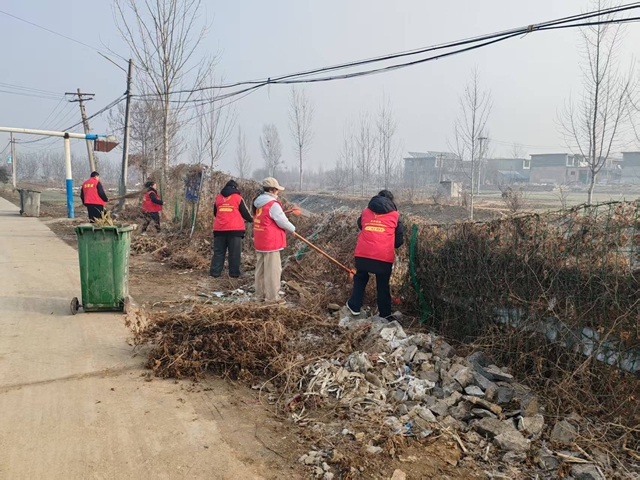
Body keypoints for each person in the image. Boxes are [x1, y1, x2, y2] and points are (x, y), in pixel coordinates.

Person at [347, 190, 404, 319]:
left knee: (360, 277)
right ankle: (385, 314)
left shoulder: (366, 211)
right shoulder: (395, 216)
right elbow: (398, 241)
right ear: (391, 201)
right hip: (383, 256)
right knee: (383, 284)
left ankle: (354, 306)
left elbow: (361, 224)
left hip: (363, 253)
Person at [253, 177, 295, 303]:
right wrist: (292, 229)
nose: (278, 192)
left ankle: (259, 295)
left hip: (260, 240)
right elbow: (282, 221)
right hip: (271, 242)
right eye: (277, 190)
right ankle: (272, 298)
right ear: (271, 190)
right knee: (273, 271)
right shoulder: (273, 204)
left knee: (260, 270)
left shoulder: (258, 202)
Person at [210, 180, 253, 278]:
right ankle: (234, 273)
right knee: (234, 253)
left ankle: (215, 273)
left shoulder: (218, 198)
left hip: (219, 229)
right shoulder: (238, 198)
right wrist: (251, 220)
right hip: (235, 230)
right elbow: (245, 213)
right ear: (235, 188)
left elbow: (215, 213)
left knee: (219, 252)